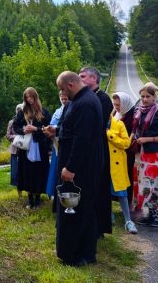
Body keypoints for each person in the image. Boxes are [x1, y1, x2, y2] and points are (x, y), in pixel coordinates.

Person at [54, 71, 103, 266]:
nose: (63, 93)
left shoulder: (85, 104)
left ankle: (74, 254)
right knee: (84, 209)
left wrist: (70, 167)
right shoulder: (83, 99)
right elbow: (72, 128)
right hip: (80, 163)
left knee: (75, 209)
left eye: (63, 89)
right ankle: (84, 253)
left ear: (71, 85)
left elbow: (82, 139)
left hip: (81, 166)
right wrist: (57, 131)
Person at [79, 66, 113, 236]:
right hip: (87, 147)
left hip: (98, 146)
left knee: (99, 187)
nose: (80, 78)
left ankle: (99, 227)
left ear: (94, 78)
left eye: (83, 76)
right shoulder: (83, 97)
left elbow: (97, 125)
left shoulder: (103, 98)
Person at [131, 84, 158, 227]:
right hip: (140, 153)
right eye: (142, 96)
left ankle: (157, 215)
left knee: (155, 185)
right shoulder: (138, 111)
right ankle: (147, 213)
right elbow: (134, 130)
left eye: (148, 96)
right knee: (142, 184)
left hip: (155, 154)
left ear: (154, 97)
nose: (145, 99)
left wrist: (147, 139)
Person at [13, 87, 51, 209]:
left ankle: (38, 199)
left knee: (38, 171)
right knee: (27, 171)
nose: (29, 99)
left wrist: (36, 129)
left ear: (35, 97)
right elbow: (16, 126)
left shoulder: (43, 111)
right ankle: (30, 200)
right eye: (27, 97)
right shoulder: (22, 111)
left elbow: (49, 128)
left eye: (31, 97)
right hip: (26, 147)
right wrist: (24, 130)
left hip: (40, 146)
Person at [108, 93, 137, 234]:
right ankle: (110, 215)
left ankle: (128, 220)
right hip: (105, 161)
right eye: (114, 105)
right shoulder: (106, 121)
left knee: (121, 192)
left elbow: (126, 143)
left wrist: (109, 134)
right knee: (105, 190)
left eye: (118, 105)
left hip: (117, 162)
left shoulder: (118, 124)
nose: (116, 107)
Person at [44, 90, 69, 196]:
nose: (63, 101)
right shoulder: (57, 111)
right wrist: (50, 130)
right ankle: (54, 192)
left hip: (65, 142)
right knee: (55, 168)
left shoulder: (71, 109)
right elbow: (52, 123)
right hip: (56, 143)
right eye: (62, 99)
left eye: (65, 98)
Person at [6, 104, 22, 195]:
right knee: (15, 172)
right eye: (18, 110)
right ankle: (19, 193)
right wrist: (17, 137)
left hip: (24, 150)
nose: (19, 111)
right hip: (15, 150)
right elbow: (8, 135)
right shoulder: (11, 122)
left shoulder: (26, 121)